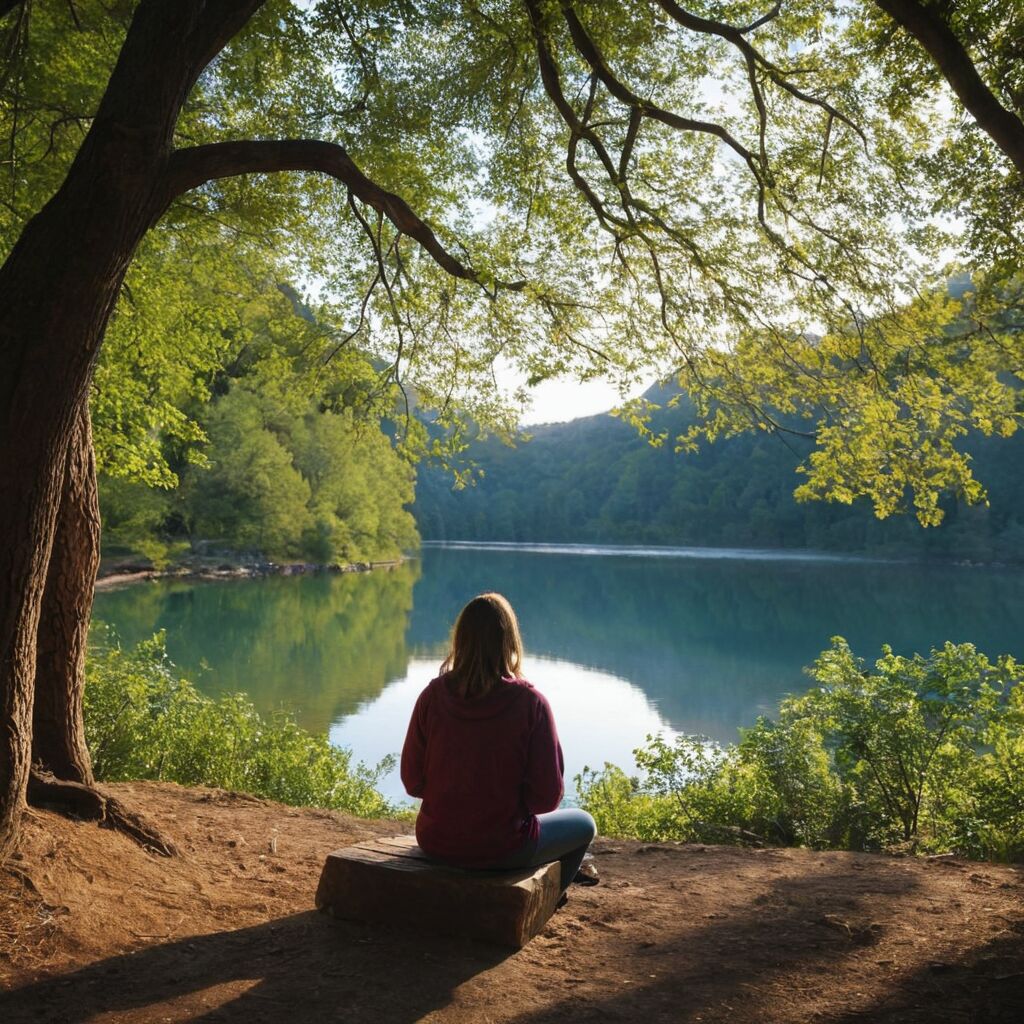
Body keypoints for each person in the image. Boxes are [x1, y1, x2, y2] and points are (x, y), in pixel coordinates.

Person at [400, 592, 597, 896]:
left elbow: (413, 782)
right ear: (509, 640)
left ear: (460, 639)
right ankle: (551, 899)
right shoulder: (531, 703)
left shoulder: (432, 696)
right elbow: (547, 799)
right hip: (504, 848)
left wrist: (455, 798)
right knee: (584, 824)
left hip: (436, 841)